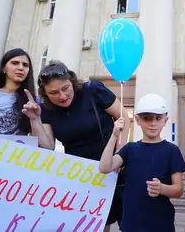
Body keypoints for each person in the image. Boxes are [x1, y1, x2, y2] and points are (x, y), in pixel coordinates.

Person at [22, 60, 130, 232]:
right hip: (83, 176)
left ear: (72, 82)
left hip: (115, 168)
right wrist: (35, 119)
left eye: (65, 88)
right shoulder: (47, 109)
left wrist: (120, 153)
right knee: (98, 224)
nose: (62, 96)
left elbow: (123, 115)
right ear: (45, 94)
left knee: (129, 222)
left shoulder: (93, 90)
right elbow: (48, 146)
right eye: (54, 93)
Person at [99, 93, 185, 232]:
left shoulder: (172, 150)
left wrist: (162, 189)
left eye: (158, 118)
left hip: (161, 223)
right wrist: (114, 135)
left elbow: (178, 190)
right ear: (138, 120)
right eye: (147, 118)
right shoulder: (130, 149)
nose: (153, 123)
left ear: (165, 120)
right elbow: (104, 167)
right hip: (131, 223)